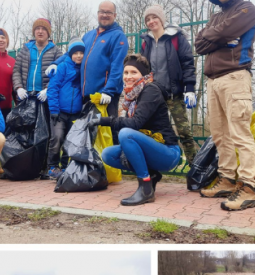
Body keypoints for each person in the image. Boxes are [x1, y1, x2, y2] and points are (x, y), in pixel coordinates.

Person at [195, 0, 255, 211]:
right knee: (219, 134)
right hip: (213, 80)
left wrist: (215, 36)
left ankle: (248, 186)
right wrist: (220, 38)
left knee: (240, 133)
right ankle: (227, 179)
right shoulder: (216, 16)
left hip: (235, 76)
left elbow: (221, 33)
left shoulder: (246, 9)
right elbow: (199, 44)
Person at [93, 54, 181, 206]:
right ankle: (152, 175)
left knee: (126, 134)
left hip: (168, 152)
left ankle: (145, 188)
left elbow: (134, 123)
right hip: (151, 149)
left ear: (143, 75)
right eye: (126, 73)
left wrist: (103, 120)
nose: (128, 76)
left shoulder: (150, 90)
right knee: (108, 154)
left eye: (134, 72)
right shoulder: (132, 96)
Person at [47, 1, 127, 144]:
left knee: (108, 132)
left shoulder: (118, 36)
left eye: (108, 12)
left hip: (104, 96)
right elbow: (71, 53)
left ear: (114, 15)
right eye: (102, 11)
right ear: (97, 14)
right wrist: (55, 63)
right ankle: (89, 165)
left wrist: (108, 91)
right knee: (89, 135)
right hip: (86, 97)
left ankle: (112, 163)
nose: (104, 15)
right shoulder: (89, 35)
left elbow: (117, 66)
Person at [140, 5, 198, 166]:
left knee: (184, 131)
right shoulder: (146, 43)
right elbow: (142, 69)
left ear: (161, 19)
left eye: (154, 17)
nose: (151, 22)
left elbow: (187, 63)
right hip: (154, 97)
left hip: (174, 94)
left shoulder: (176, 38)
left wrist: (190, 88)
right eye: (148, 19)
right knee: (153, 133)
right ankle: (155, 168)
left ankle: (196, 168)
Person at [12, 19, 63, 179]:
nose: (40, 31)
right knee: (26, 132)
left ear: (49, 32)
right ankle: (26, 166)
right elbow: (16, 71)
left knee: (45, 133)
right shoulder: (26, 49)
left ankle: (44, 167)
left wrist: (48, 90)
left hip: (44, 98)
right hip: (27, 97)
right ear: (34, 31)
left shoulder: (55, 51)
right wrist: (19, 87)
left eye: (43, 29)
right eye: (37, 29)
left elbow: (61, 73)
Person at [46, 37, 84, 179]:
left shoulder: (85, 69)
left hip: (75, 113)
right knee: (57, 138)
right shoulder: (63, 67)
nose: (78, 56)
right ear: (70, 54)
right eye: (75, 53)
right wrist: (54, 109)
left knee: (71, 140)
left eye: (81, 53)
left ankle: (65, 166)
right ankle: (52, 166)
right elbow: (53, 88)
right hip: (60, 111)